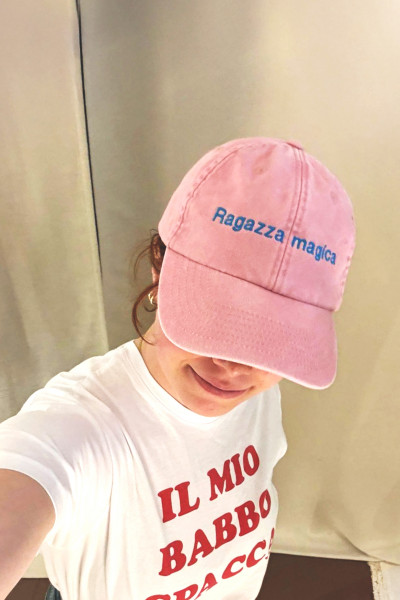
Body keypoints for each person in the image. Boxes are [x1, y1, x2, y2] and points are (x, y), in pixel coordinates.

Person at [0, 137, 356, 600]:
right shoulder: (79, 428)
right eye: (218, 320)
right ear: (158, 268)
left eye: (271, 338)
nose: (235, 367)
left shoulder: (260, 392)